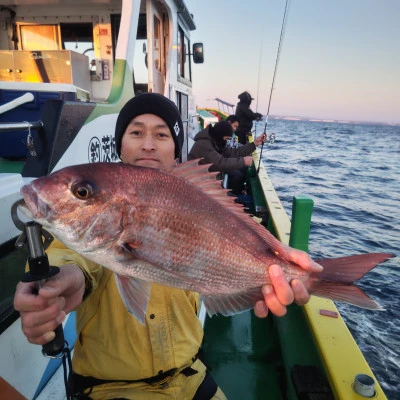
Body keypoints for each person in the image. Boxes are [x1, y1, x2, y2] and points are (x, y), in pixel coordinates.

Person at [14, 93, 320, 400]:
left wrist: (277, 258)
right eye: (135, 132)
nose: (148, 144)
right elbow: (74, 263)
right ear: (120, 145)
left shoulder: (193, 192)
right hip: (112, 388)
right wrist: (57, 288)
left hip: (192, 376)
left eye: (161, 134)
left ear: (176, 149)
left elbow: (233, 226)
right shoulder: (92, 230)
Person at [188, 120, 265, 195]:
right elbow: (220, 163)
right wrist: (243, 161)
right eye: (226, 139)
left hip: (209, 184)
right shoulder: (204, 145)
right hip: (199, 188)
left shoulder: (216, 141)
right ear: (220, 135)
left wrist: (254, 144)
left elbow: (233, 152)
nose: (226, 141)